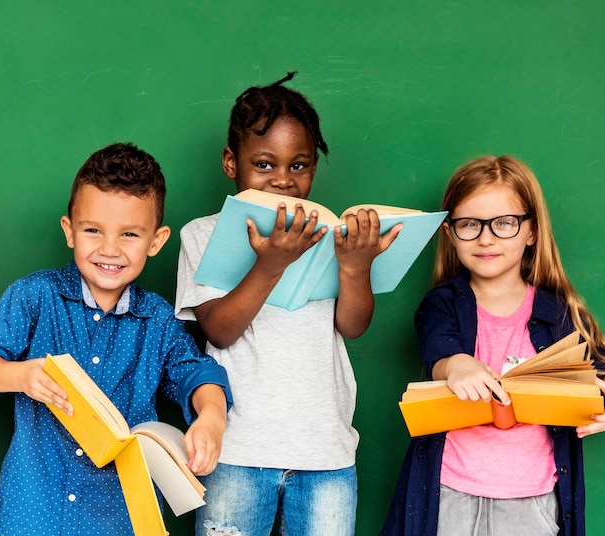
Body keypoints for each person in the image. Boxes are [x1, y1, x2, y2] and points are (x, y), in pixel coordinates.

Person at [175, 72, 402, 536]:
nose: (282, 180)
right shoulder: (201, 234)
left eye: (298, 166)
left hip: (325, 452)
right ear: (230, 162)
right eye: (264, 163)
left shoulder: (330, 233)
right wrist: (270, 264)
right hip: (237, 449)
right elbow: (218, 329)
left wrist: (356, 268)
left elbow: (353, 325)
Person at [0, 142, 232, 536]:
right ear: (69, 231)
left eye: (129, 234)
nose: (109, 249)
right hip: (33, 513)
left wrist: (212, 419)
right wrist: (19, 376)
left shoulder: (158, 319)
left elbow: (197, 374)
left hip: (118, 519)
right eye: (93, 230)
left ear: (156, 241)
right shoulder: (33, 296)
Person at [380, 155, 605, 536]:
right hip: (450, 492)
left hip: (532, 500)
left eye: (504, 223)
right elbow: (439, 353)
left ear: (531, 231)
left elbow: (596, 377)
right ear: (450, 233)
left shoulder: (560, 312)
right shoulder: (443, 303)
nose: (486, 238)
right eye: (469, 224)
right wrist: (456, 365)